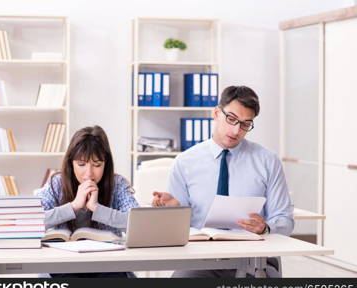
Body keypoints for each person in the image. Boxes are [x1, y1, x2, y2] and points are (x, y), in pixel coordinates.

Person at [152, 85, 294, 278]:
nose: (236, 130)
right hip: (201, 261)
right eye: (231, 119)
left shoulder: (268, 161)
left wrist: (266, 228)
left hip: (254, 259)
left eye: (245, 124)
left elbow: (284, 219)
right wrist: (173, 211)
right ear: (217, 113)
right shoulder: (185, 162)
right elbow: (175, 230)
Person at [37, 125, 139, 278]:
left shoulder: (117, 184)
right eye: (81, 164)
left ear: (106, 164)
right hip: (64, 265)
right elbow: (33, 220)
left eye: (97, 165)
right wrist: (73, 207)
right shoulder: (57, 183)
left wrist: (97, 209)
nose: (89, 173)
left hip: (108, 265)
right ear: (71, 163)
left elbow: (137, 222)